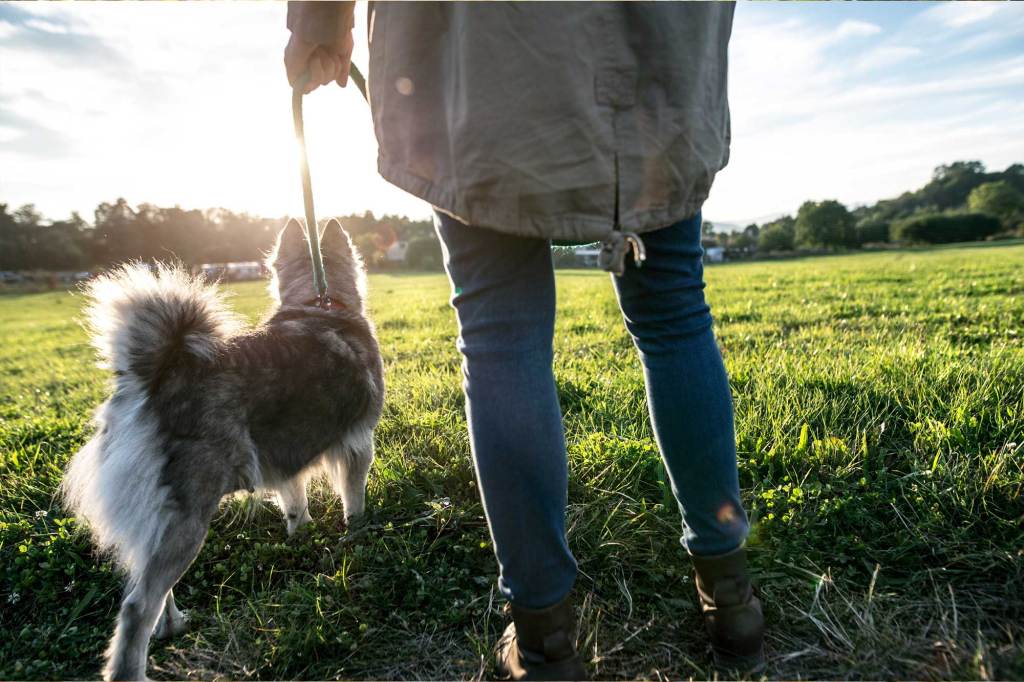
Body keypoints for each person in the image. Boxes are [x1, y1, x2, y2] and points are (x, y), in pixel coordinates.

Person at [284, 2, 764, 678]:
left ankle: (546, 637)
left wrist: (318, 27)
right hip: (655, 40)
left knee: (500, 334)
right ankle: (731, 593)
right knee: (674, 310)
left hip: (485, 46)